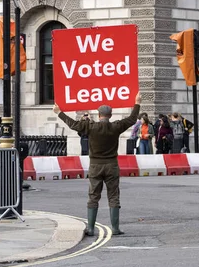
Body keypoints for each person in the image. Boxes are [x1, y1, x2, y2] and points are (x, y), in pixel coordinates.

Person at [53, 92, 141, 237]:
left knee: (93, 196)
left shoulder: (91, 127)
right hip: (112, 165)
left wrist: (59, 112)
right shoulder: (116, 127)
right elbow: (132, 119)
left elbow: (73, 124)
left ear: (99, 115)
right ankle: (115, 228)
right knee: (113, 196)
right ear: (110, 115)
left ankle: (91, 228)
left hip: (95, 165)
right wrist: (137, 102)